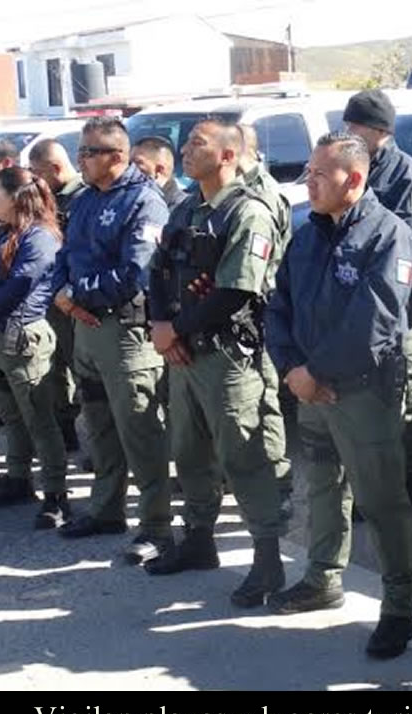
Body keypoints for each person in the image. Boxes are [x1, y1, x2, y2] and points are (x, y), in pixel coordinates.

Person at [264, 132, 412, 657]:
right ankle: (323, 578)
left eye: (317, 175)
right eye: (307, 173)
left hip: (363, 392)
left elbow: (374, 322)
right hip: (310, 388)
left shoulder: (387, 235)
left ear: (353, 180)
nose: (307, 183)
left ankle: (399, 607)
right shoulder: (307, 235)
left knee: (382, 502)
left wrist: (315, 372)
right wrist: (292, 368)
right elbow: (278, 305)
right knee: (323, 486)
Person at [144, 116, 287, 609]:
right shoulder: (185, 209)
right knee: (189, 452)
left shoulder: (248, 213)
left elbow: (236, 290)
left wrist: (175, 330)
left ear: (228, 155)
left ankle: (268, 561)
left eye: (198, 144)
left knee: (245, 457)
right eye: (186, 143)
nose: (186, 150)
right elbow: (158, 271)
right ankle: (199, 540)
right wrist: (163, 329)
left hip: (228, 357)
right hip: (184, 355)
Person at [52, 117, 174, 561]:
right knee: (99, 426)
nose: (80, 159)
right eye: (81, 151)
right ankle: (106, 509)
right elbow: (64, 255)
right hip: (86, 330)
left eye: (89, 152)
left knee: (139, 431)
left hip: (124, 333)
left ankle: (157, 526)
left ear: (117, 157)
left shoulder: (143, 201)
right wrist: (62, 295)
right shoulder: (86, 200)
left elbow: (134, 272)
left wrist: (75, 294)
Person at [343, 89, 412, 538]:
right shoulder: (348, 166)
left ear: (380, 131)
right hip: (353, 316)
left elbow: (406, 246)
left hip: (399, 320)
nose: (349, 133)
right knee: (365, 419)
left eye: (356, 126)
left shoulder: (409, 176)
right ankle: (374, 499)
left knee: (406, 419)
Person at [0, 166, 68, 527]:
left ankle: (56, 494)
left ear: (16, 198)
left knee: (39, 419)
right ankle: (19, 478)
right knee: (12, 417)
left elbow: (19, 286)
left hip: (23, 338)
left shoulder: (40, 238)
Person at [237, 122, 293, 516]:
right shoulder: (227, 192)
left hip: (261, 306)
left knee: (266, 398)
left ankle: (279, 483)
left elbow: (267, 260)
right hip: (241, 310)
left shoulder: (264, 194)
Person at [29, 138, 86, 453]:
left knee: (82, 368)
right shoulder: (48, 198)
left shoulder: (82, 197)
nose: (36, 181)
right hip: (49, 295)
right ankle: (65, 429)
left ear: (54, 168)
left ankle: (96, 440)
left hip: (74, 296)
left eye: (38, 173)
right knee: (54, 368)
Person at [130, 136, 185, 209]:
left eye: (137, 163)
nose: (130, 168)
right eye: (129, 163)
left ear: (159, 170)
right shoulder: (129, 199)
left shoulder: (182, 208)